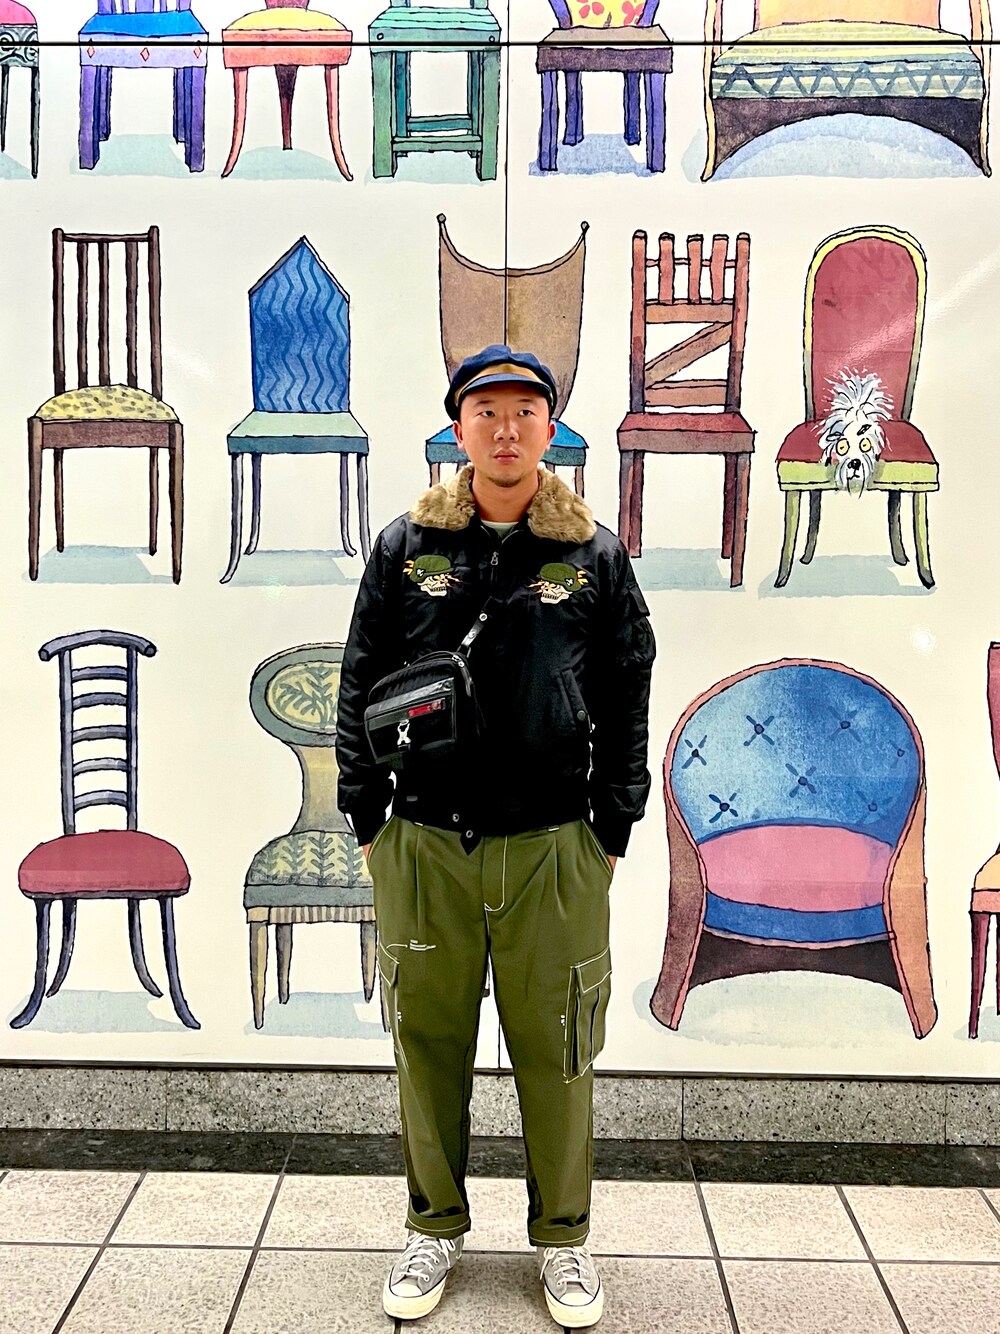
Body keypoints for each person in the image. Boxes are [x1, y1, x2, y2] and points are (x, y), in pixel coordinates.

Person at [335, 345, 655, 1327]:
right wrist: (367, 814)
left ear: (550, 429)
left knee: (559, 1050)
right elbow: (359, 678)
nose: (506, 430)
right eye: (487, 412)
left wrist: (612, 821)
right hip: (424, 842)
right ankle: (432, 1225)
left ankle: (563, 1239)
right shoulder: (407, 547)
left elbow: (627, 689)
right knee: (426, 1043)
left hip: (555, 846)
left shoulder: (593, 555)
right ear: (458, 429)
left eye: (525, 412)